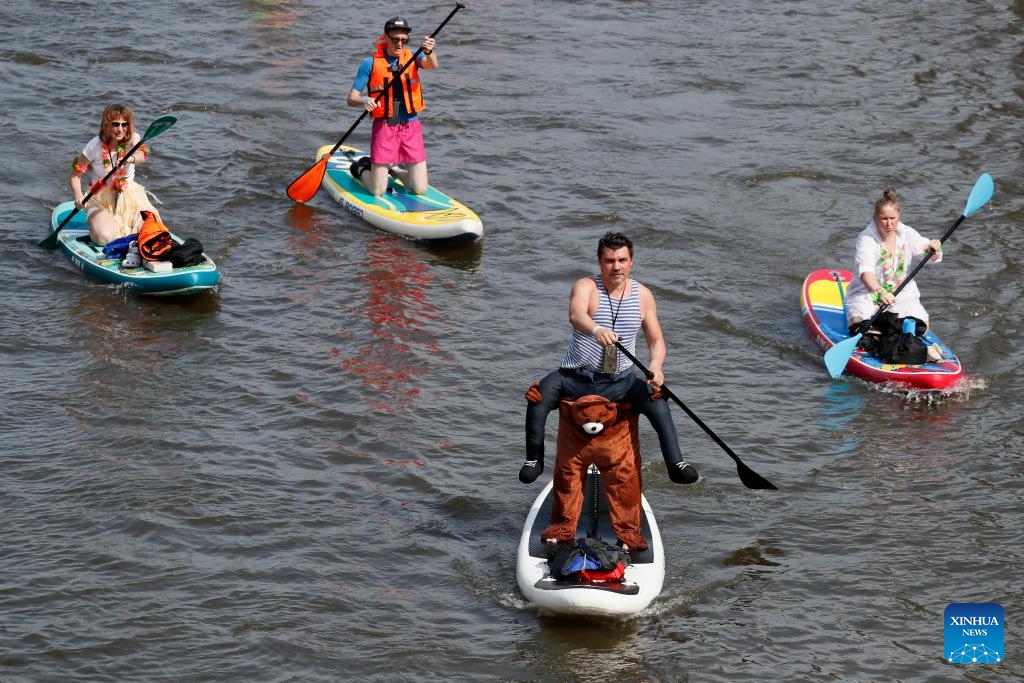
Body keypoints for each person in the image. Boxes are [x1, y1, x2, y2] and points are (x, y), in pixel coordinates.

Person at [520, 231, 700, 486]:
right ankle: (533, 460)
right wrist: (596, 329)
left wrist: (656, 367)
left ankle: (676, 463)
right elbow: (575, 315)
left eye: (622, 260)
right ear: (599, 262)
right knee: (538, 397)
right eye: (609, 261)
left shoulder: (643, 295)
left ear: (631, 262)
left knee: (658, 401)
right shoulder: (586, 286)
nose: (616, 267)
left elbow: (656, 340)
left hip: (621, 382)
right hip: (575, 378)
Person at [346, 16, 437, 197]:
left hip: (410, 126)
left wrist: (429, 51)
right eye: (395, 39)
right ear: (386, 37)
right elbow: (351, 97)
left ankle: (394, 170)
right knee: (377, 191)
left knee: (420, 189)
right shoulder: (370, 63)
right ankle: (363, 168)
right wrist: (364, 100)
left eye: (404, 40)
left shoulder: (414, 56)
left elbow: (432, 64)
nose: (400, 44)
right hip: (385, 126)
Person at [844, 187, 943, 333]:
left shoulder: (907, 233)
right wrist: (881, 293)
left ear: (899, 216)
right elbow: (866, 274)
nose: (889, 224)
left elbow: (927, 254)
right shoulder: (866, 239)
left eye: (892, 218)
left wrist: (934, 248)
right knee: (860, 325)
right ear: (875, 218)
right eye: (884, 219)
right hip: (868, 293)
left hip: (901, 293)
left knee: (921, 325)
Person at [69, 103, 161, 246]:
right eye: (115, 124)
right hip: (100, 199)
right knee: (106, 237)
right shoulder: (94, 146)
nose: (120, 129)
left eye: (124, 125)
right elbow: (76, 175)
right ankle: (97, 230)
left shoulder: (133, 139)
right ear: (107, 125)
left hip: (129, 195)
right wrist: (79, 196)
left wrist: (129, 158)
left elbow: (142, 156)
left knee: (153, 233)